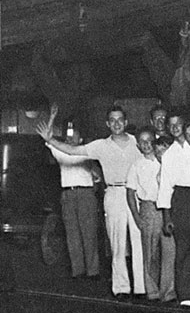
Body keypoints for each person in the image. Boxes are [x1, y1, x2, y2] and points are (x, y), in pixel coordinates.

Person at [38, 105, 144, 300]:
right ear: (107, 124)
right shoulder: (100, 145)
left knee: (138, 240)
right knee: (117, 242)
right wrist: (50, 139)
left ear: (126, 122)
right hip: (113, 192)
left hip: (136, 194)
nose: (117, 123)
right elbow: (71, 150)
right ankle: (121, 287)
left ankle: (141, 288)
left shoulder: (137, 142)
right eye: (112, 120)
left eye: (120, 119)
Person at [42, 106, 100, 282]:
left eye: (74, 134)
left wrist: (95, 174)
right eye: (68, 134)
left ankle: (93, 271)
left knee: (88, 232)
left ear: (81, 137)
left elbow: (96, 173)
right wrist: (52, 117)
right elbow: (48, 137)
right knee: (72, 233)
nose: (70, 136)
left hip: (85, 193)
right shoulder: (60, 151)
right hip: (68, 194)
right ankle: (78, 270)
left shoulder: (86, 151)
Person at [158, 117, 190, 306]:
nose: (175, 127)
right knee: (184, 246)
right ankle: (186, 294)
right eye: (171, 125)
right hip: (180, 198)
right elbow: (165, 187)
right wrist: (166, 216)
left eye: (179, 123)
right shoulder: (169, 154)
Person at [126, 127, 168, 301]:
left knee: (166, 251)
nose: (146, 145)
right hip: (148, 208)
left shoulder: (164, 160)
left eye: (149, 140)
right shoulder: (136, 165)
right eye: (142, 142)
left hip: (166, 208)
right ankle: (152, 290)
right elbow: (130, 192)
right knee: (149, 251)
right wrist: (137, 218)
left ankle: (168, 291)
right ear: (138, 145)